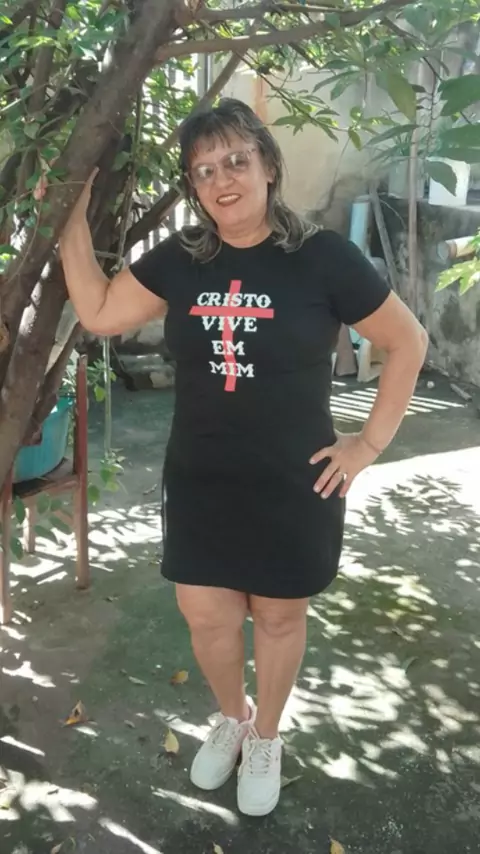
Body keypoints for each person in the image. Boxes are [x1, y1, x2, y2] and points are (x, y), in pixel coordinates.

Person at [60, 98, 428, 817]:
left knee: (281, 617)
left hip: (295, 478)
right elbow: (100, 312)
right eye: (204, 170)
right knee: (206, 615)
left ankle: (267, 735)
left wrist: (368, 445)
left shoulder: (323, 257)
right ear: (194, 188)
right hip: (202, 476)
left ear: (267, 164)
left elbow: (406, 341)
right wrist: (70, 217)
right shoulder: (182, 260)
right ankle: (232, 717)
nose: (222, 179)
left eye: (235, 160)